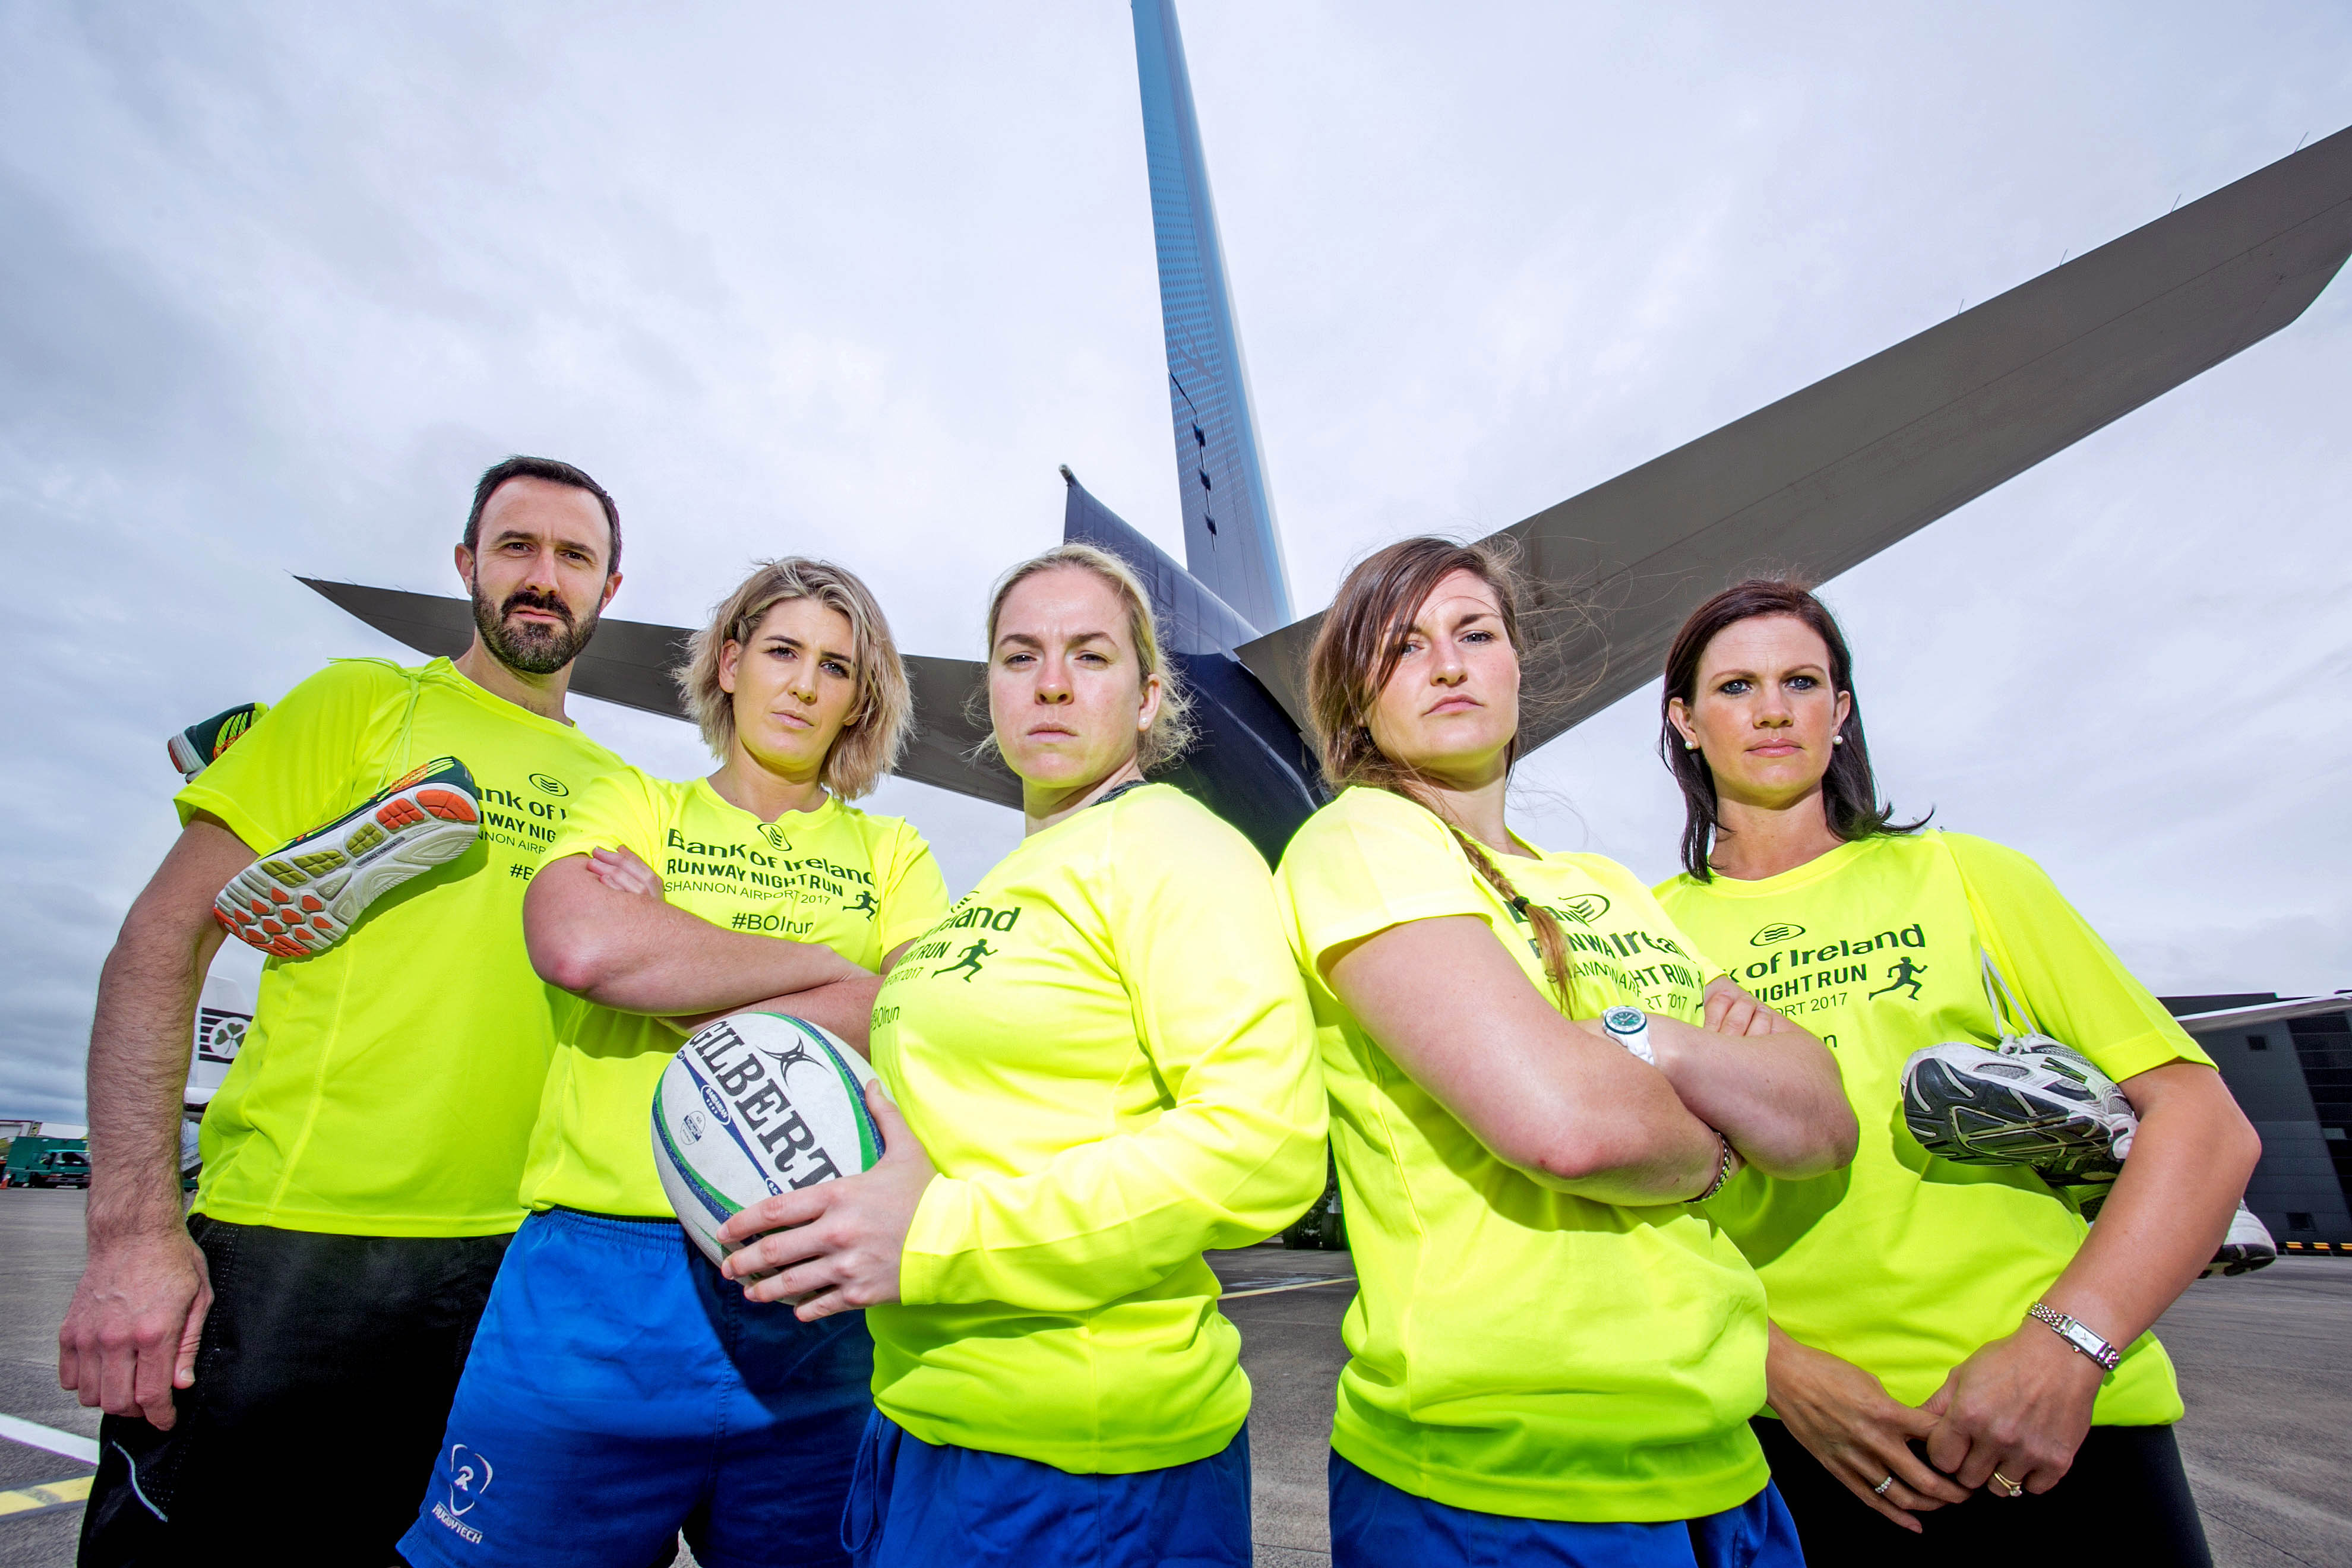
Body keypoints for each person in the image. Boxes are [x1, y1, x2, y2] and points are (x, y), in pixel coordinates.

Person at [712, 542, 1327, 1568]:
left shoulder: (1174, 847)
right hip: (921, 1424)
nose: (1049, 683)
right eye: (1018, 656)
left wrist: (938, 1233)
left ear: (1148, 697)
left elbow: (1263, 1145)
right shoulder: (1001, 882)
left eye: (1089, 656)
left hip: (1081, 1464)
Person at [61, 456, 630, 1564]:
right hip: (295, 1255)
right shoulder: (361, 702)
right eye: (515, 547)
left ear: (611, 588)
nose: (542, 578)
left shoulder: (622, 793)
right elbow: (159, 943)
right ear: (466, 565)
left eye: (574, 557)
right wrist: (130, 1232)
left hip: (512, 1268)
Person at [1272, 537, 1857, 1567]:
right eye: (1405, 647)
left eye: (1475, 633)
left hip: (1723, 1461)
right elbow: (1568, 1125)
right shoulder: (1362, 841)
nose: (1450, 664)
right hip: (1505, 1476)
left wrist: (1645, 1042)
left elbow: (1821, 1121)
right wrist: (1722, 1140)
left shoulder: (1603, 884)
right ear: (1355, 699)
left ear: (1514, 666)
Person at [1650, 578, 2259, 1564]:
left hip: (2060, 1425)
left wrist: (2064, 1352)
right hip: (1793, 1444)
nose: (1771, 709)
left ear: (1840, 714)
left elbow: (2205, 1123)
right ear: (1684, 721)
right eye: (1735, 687)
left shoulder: (1971, 876)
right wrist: (1777, 1373)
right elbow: (1633, 1217)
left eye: (1802, 681)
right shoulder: (1645, 930)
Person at [397, 557, 948, 1568]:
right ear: (731, 662)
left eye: (836, 667)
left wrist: (676, 954)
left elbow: (917, 1017)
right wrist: (830, 977)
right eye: (781, 651)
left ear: (859, 700)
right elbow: (583, 947)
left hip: (815, 1291)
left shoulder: (895, 852)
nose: (802, 684)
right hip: (595, 1290)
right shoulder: (633, 799)